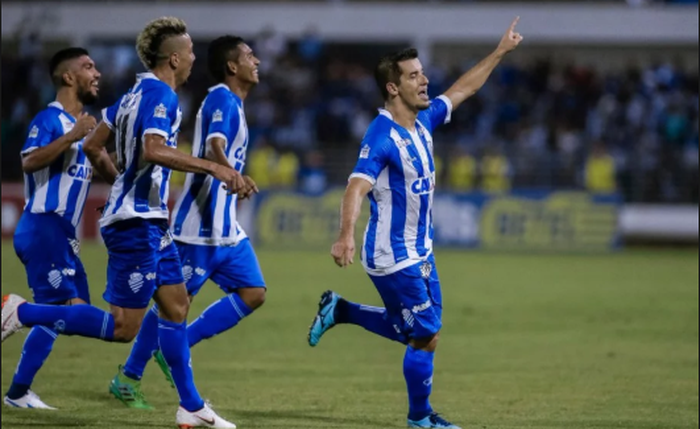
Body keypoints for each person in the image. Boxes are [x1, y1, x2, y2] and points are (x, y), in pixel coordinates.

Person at [2, 17, 241, 428]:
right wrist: (210, 168)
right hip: (134, 223)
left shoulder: (131, 95)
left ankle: (191, 407)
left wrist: (119, 183)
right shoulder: (162, 97)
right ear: (173, 58)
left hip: (148, 218)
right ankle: (22, 313)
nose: (194, 58)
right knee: (122, 328)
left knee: (176, 304)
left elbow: (94, 144)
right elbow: (152, 149)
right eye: (189, 52)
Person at [307, 17, 523, 429]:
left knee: (420, 330)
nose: (424, 81)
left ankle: (341, 310)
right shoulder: (381, 136)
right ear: (393, 87)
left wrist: (499, 52)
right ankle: (419, 418)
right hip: (391, 255)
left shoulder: (423, 121)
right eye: (414, 76)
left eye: (423, 73)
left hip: (421, 248)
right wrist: (344, 236)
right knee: (425, 335)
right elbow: (355, 187)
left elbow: (464, 89)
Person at [108, 35, 266, 410]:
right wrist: (229, 172)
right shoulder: (220, 98)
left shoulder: (237, 104)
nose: (256, 61)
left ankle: (178, 344)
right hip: (197, 227)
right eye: (249, 56)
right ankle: (128, 376)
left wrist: (235, 177)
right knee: (172, 305)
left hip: (226, 230)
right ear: (232, 66)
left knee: (253, 293)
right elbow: (214, 145)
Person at [3, 47, 104, 410]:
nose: (97, 73)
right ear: (67, 76)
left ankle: (17, 392)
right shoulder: (50, 119)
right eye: (88, 66)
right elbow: (29, 162)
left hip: (64, 235)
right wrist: (72, 137)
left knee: (70, 313)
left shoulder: (88, 127)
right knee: (67, 310)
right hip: (43, 223)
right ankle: (16, 311)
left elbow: (108, 170)